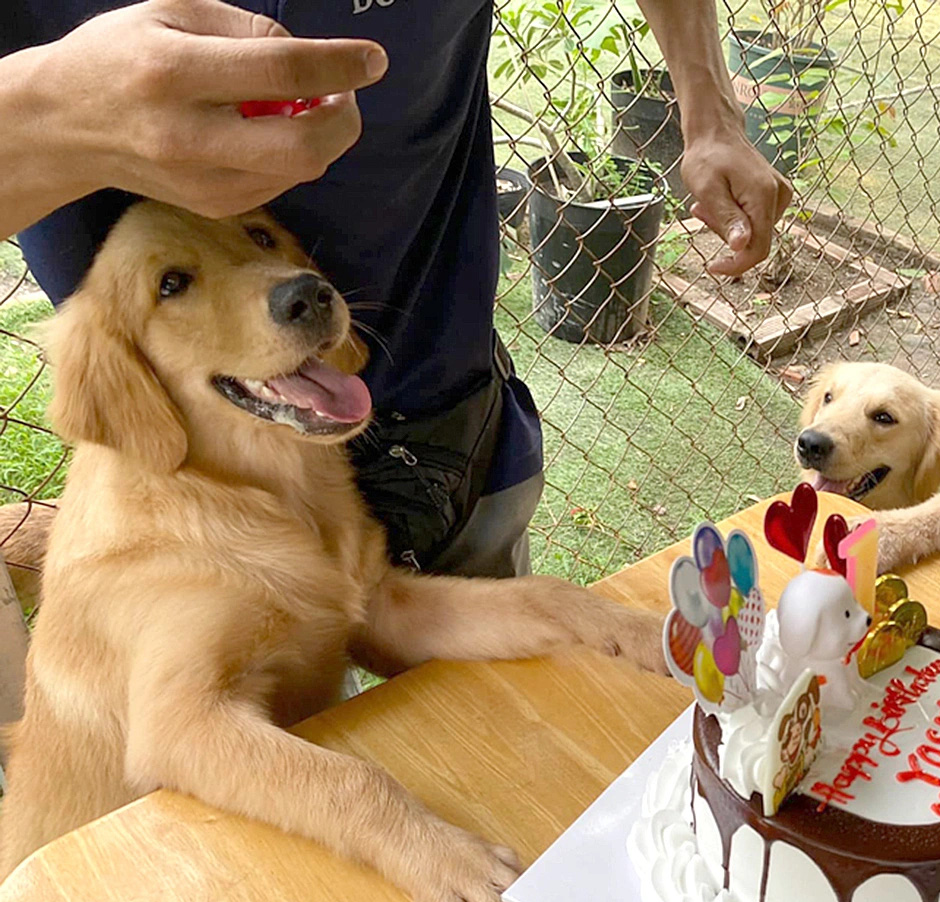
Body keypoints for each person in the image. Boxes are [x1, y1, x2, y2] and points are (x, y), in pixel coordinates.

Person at [0, 0, 792, 576]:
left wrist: (712, 111)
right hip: (188, 472)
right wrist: (40, 116)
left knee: (495, 710)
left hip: (442, 406)